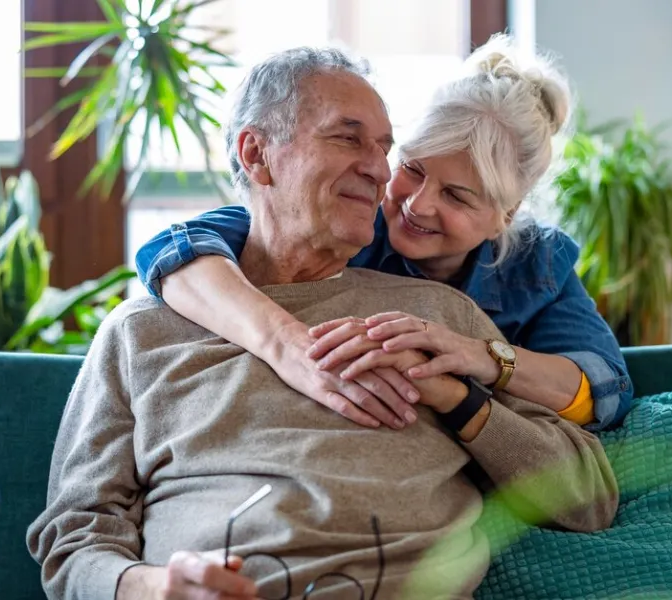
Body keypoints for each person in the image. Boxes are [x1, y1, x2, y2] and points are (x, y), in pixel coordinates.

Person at [28, 46, 617, 600]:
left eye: (384, 148)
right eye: (348, 138)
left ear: (501, 218)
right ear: (255, 155)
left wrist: (461, 395)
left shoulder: (443, 321)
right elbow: (74, 538)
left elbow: (590, 485)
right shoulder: (145, 329)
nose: (385, 176)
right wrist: (154, 588)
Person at [135, 34, 632, 436]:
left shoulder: (536, 265)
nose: (418, 204)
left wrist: (481, 355)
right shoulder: (349, 221)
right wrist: (287, 345)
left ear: (506, 213)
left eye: (457, 196)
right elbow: (174, 251)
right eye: (412, 170)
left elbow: (605, 389)